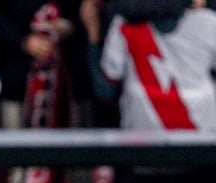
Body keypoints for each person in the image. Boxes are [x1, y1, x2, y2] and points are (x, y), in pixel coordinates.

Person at [81, 0, 216, 131]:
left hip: (141, 137)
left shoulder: (123, 24)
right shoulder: (208, 23)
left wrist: (93, 35)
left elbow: (105, 90)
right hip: (200, 136)